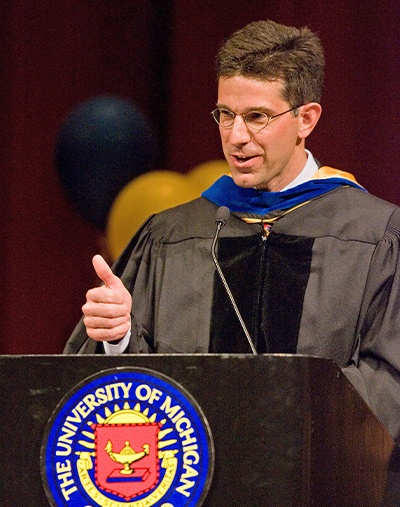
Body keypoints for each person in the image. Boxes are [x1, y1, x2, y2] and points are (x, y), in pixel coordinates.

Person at [65, 19, 400, 442]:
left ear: (306, 119)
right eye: (226, 114)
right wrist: (119, 336)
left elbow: (390, 381)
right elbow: (112, 400)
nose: (236, 137)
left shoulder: (375, 236)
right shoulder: (172, 234)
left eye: (257, 117)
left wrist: (278, 423)